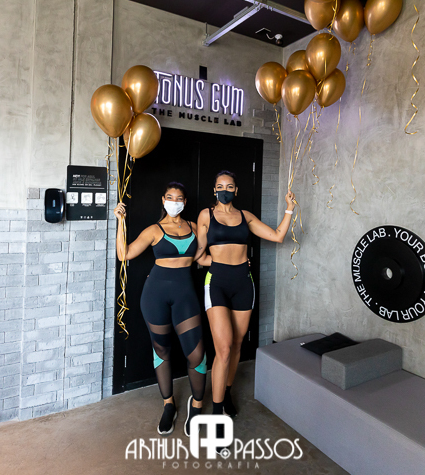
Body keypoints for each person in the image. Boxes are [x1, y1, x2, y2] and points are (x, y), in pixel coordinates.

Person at [196, 171, 295, 425]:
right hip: (216, 283)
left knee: (237, 345)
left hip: (243, 283)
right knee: (224, 348)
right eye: (220, 186)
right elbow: (198, 255)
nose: (225, 190)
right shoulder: (206, 215)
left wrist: (289, 209)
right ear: (214, 190)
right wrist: (217, 263)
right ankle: (217, 413)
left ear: (236, 190)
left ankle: (226, 392)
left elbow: (277, 236)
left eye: (229, 186)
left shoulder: (245, 216)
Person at [114, 182, 208, 436]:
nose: (174, 202)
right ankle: (169, 405)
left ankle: (196, 406)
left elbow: (204, 256)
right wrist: (120, 221)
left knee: (197, 354)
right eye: (169, 197)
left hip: (185, 296)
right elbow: (124, 254)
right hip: (155, 296)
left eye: (179, 198)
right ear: (163, 200)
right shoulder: (154, 230)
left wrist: (235, 262)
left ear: (185, 202)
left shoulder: (195, 228)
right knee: (162, 350)